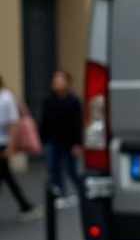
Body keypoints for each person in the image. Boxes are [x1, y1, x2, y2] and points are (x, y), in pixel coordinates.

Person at [0, 74, 42, 222]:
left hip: (2, 143)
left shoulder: (6, 97)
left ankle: (26, 206)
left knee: (6, 175)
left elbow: (14, 123)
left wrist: (11, 146)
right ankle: (26, 206)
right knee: (6, 176)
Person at [40, 70, 84, 202]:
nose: (56, 83)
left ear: (68, 83)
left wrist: (78, 143)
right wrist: (43, 139)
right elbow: (44, 122)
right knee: (53, 168)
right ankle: (59, 193)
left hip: (69, 142)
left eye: (60, 81)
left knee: (71, 169)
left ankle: (81, 190)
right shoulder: (49, 101)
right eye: (55, 81)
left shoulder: (73, 101)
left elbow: (78, 123)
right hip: (52, 141)